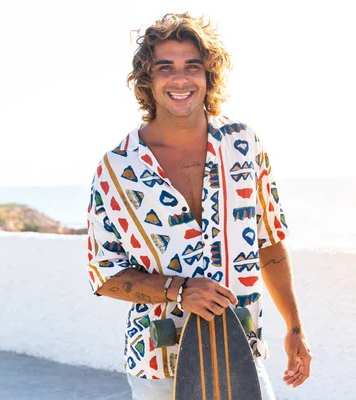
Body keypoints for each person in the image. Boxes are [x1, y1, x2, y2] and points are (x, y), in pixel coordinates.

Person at [86, 12, 311, 399]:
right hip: (159, 364)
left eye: (193, 66)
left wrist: (294, 328)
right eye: (165, 67)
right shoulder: (117, 169)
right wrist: (178, 290)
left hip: (241, 352)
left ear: (208, 76)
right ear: (147, 78)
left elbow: (270, 242)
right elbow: (104, 275)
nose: (180, 78)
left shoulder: (243, 145)